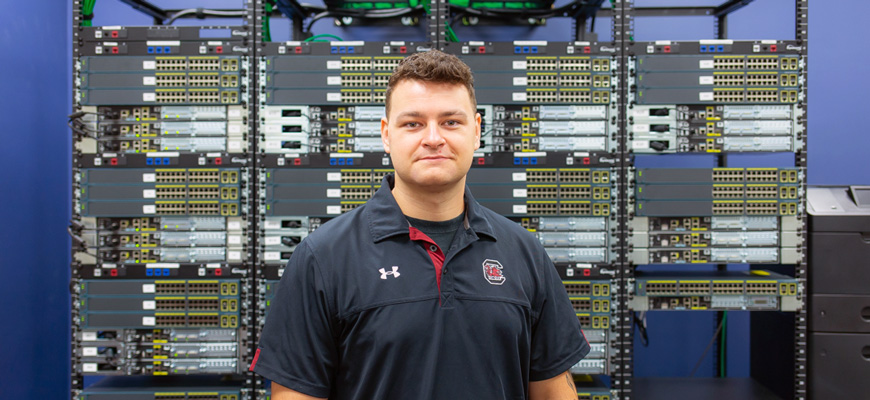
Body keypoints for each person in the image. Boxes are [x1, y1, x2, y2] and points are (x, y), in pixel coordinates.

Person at [251, 49, 590, 399]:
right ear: (386, 134)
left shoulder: (525, 252)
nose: (432, 138)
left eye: (450, 122)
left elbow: (553, 391)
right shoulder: (322, 258)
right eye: (413, 123)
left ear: (476, 131)